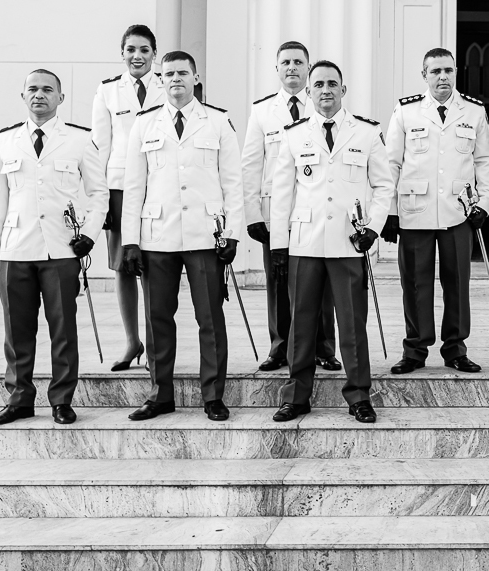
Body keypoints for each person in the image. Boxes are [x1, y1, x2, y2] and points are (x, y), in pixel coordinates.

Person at [120, 51, 244, 422]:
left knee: (210, 318)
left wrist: (232, 234)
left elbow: (232, 183)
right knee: (158, 318)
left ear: (195, 77)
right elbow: (133, 185)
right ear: (160, 79)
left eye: (182, 73)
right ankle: (160, 394)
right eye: (168, 73)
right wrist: (130, 240)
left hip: (206, 236)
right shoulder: (144, 125)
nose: (175, 78)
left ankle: (213, 395)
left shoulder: (218, 121)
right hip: (158, 237)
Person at [269, 60, 393, 424]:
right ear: (308, 91)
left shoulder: (367, 133)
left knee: (353, 324)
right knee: (301, 324)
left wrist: (373, 227)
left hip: (347, 243)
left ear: (343, 89)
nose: (325, 90)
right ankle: (296, 396)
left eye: (332, 84)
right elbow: (282, 192)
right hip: (305, 244)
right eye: (318, 84)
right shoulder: (293, 134)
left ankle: (358, 396)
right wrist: (279, 244)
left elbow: (384, 186)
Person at [0, 69, 107, 425]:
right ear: (23, 97)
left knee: (63, 329)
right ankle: (20, 398)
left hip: (61, 249)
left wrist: (90, 234)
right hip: (16, 247)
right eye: (32, 89)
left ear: (61, 98)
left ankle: (61, 400)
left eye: (47, 89)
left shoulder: (79, 140)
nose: (40, 95)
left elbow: (99, 195)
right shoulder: (6, 140)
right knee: (16, 330)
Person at [382, 47, 489, 375]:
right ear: (424, 76)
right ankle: (415, 349)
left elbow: (484, 161)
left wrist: (484, 204)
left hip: (458, 212)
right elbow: (392, 163)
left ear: (456, 72)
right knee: (416, 283)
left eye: (448, 70)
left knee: (457, 282)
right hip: (415, 211)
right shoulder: (406, 112)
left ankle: (455, 349)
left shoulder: (473, 112)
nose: (442, 76)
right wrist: (389, 211)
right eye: (435, 71)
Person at [241, 41, 340, 373]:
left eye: (299, 62)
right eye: (286, 62)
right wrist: (254, 214)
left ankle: (324, 347)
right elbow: (251, 165)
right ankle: (280, 346)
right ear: (277, 69)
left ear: (308, 69)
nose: (292, 68)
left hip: (317, 210)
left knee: (322, 282)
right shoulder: (262, 111)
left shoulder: (323, 104)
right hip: (276, 215)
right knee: (279, 282)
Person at [91, 24, 165, 371]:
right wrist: (101, 198)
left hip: (158, 184)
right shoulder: (107, 91)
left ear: (154, 53)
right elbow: (99, 148)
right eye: (131, 49)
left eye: (145, 50)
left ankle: (153, 344)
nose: (138, 56)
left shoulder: (169, 85)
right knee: (123, 266)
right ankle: (131, 341)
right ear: (122, 53)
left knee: (153, 265)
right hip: (119, 186)